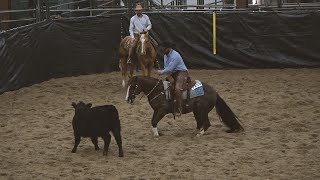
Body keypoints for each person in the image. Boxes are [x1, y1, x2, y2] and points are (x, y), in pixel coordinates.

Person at [157, 41, 189, 116]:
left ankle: (179, 107)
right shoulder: (166, 55)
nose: (163, 51)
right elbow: (167, 67)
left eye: (164, 49)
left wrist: (161, 72)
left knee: (177, 88)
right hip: (172, 72)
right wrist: (168, 76)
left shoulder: (175, 56)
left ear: (169, 48)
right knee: (164, 86)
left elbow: (169, 68)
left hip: (182, 72)